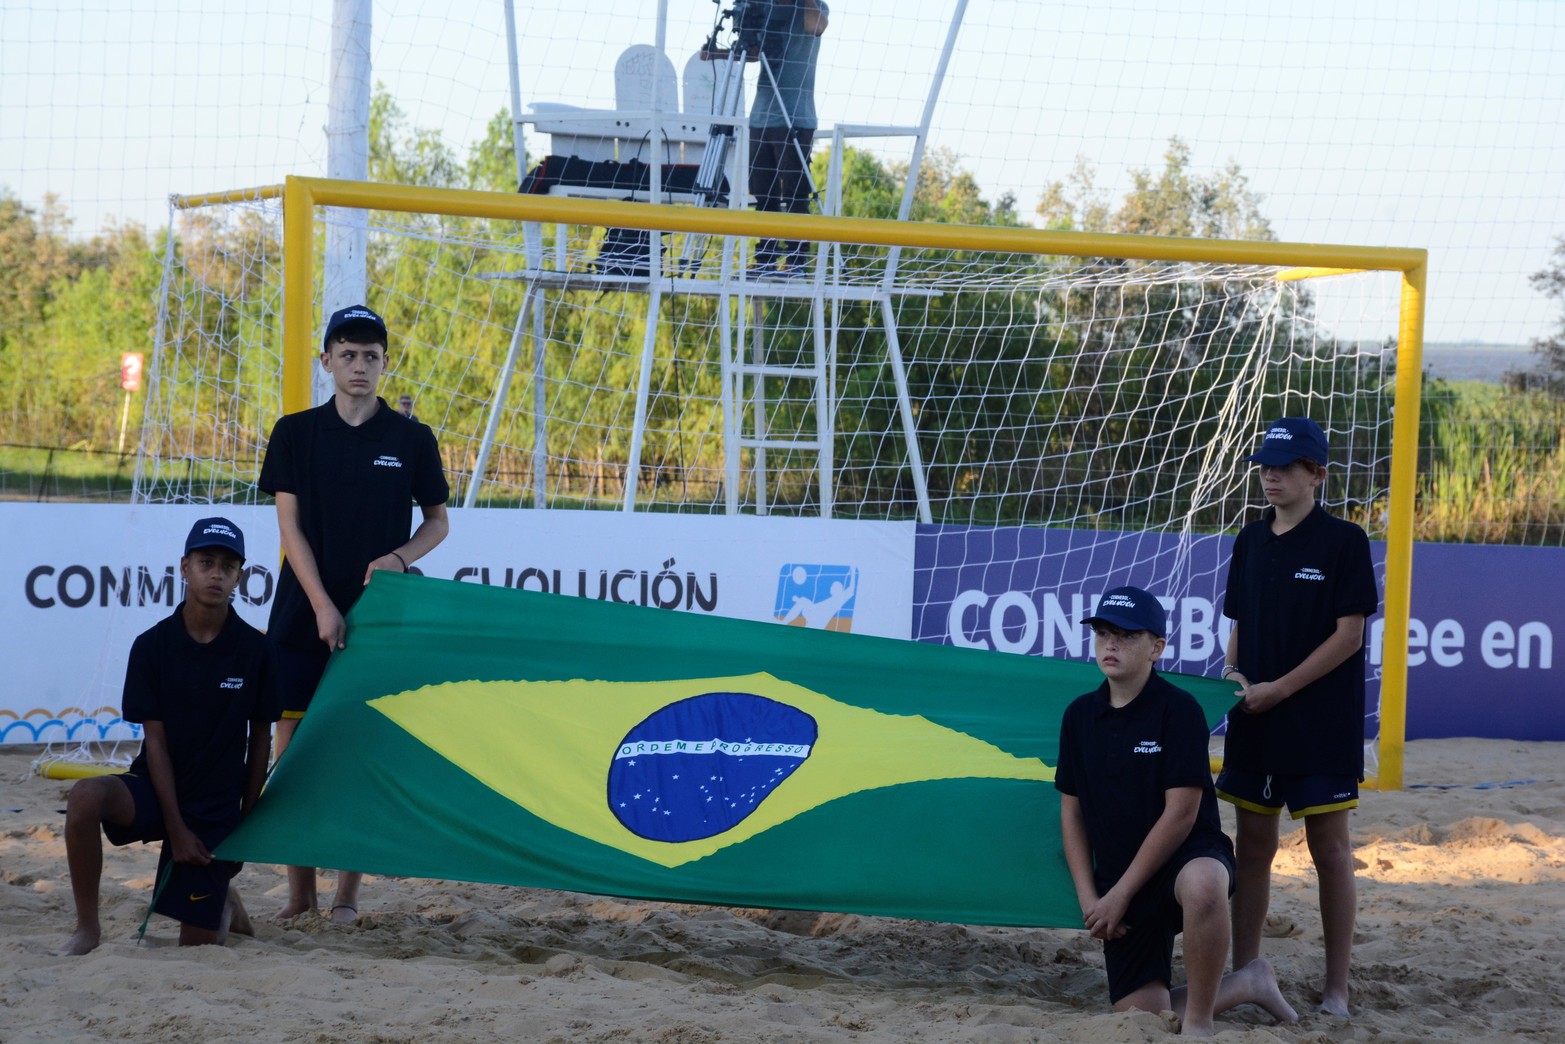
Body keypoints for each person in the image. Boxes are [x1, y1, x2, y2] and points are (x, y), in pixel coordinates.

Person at [259, 303, 450, 922]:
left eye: (371, 356)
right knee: (291, 754)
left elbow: (438, 522)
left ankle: (346, 895)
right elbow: (289, 527)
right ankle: (298, 895)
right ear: (327, 362)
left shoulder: (411, 438)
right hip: (301, 614)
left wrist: (399, 557)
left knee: (359, 752)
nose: (360, 365)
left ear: (385, 363)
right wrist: (321, 605)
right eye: (348, 354)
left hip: (376, 618)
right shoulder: (294, 432)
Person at [1056, 586, 1297, 1037]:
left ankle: (1202, 1026)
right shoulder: (1078, 717)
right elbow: (1071, 814)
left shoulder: (1180, 710)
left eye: (1127, 635)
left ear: (1157, 648)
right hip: (1122, 878)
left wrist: (1120, 893)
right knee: (1144, 1016)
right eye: (1104, 632)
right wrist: (1092, 900)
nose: (1111, 643)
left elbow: (1182, 814)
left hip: (1185, 857)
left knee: (1206, 884)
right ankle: (1249, 982)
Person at [1216, 417, 1379, 1018]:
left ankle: (1337, 988)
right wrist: (1233, 676)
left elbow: (1350, 635)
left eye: (1285, 466)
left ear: (1318, 475)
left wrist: (1281, 688)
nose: (1270, 474)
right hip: (1255, 719)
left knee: (1329, 851)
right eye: (1265, 465)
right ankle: (1243, 974)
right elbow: (1238, 628)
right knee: (1252, 846)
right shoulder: (1249, 540)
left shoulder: (1345, 542)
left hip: (1319, 721)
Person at [61, 517, 279, 955]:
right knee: (85, 796)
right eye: (206, 561)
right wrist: (175, 827)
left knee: (195, 950)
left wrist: (246, 820)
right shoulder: (151, 645)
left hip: (214, 805)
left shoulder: (257, 650)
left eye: (227, 565)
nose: (216, 573)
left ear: (240, 575)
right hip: (157, 789)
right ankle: (87, 930)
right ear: (184, 568)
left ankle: (222, 906)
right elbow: (154, 742)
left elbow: (260, 741)